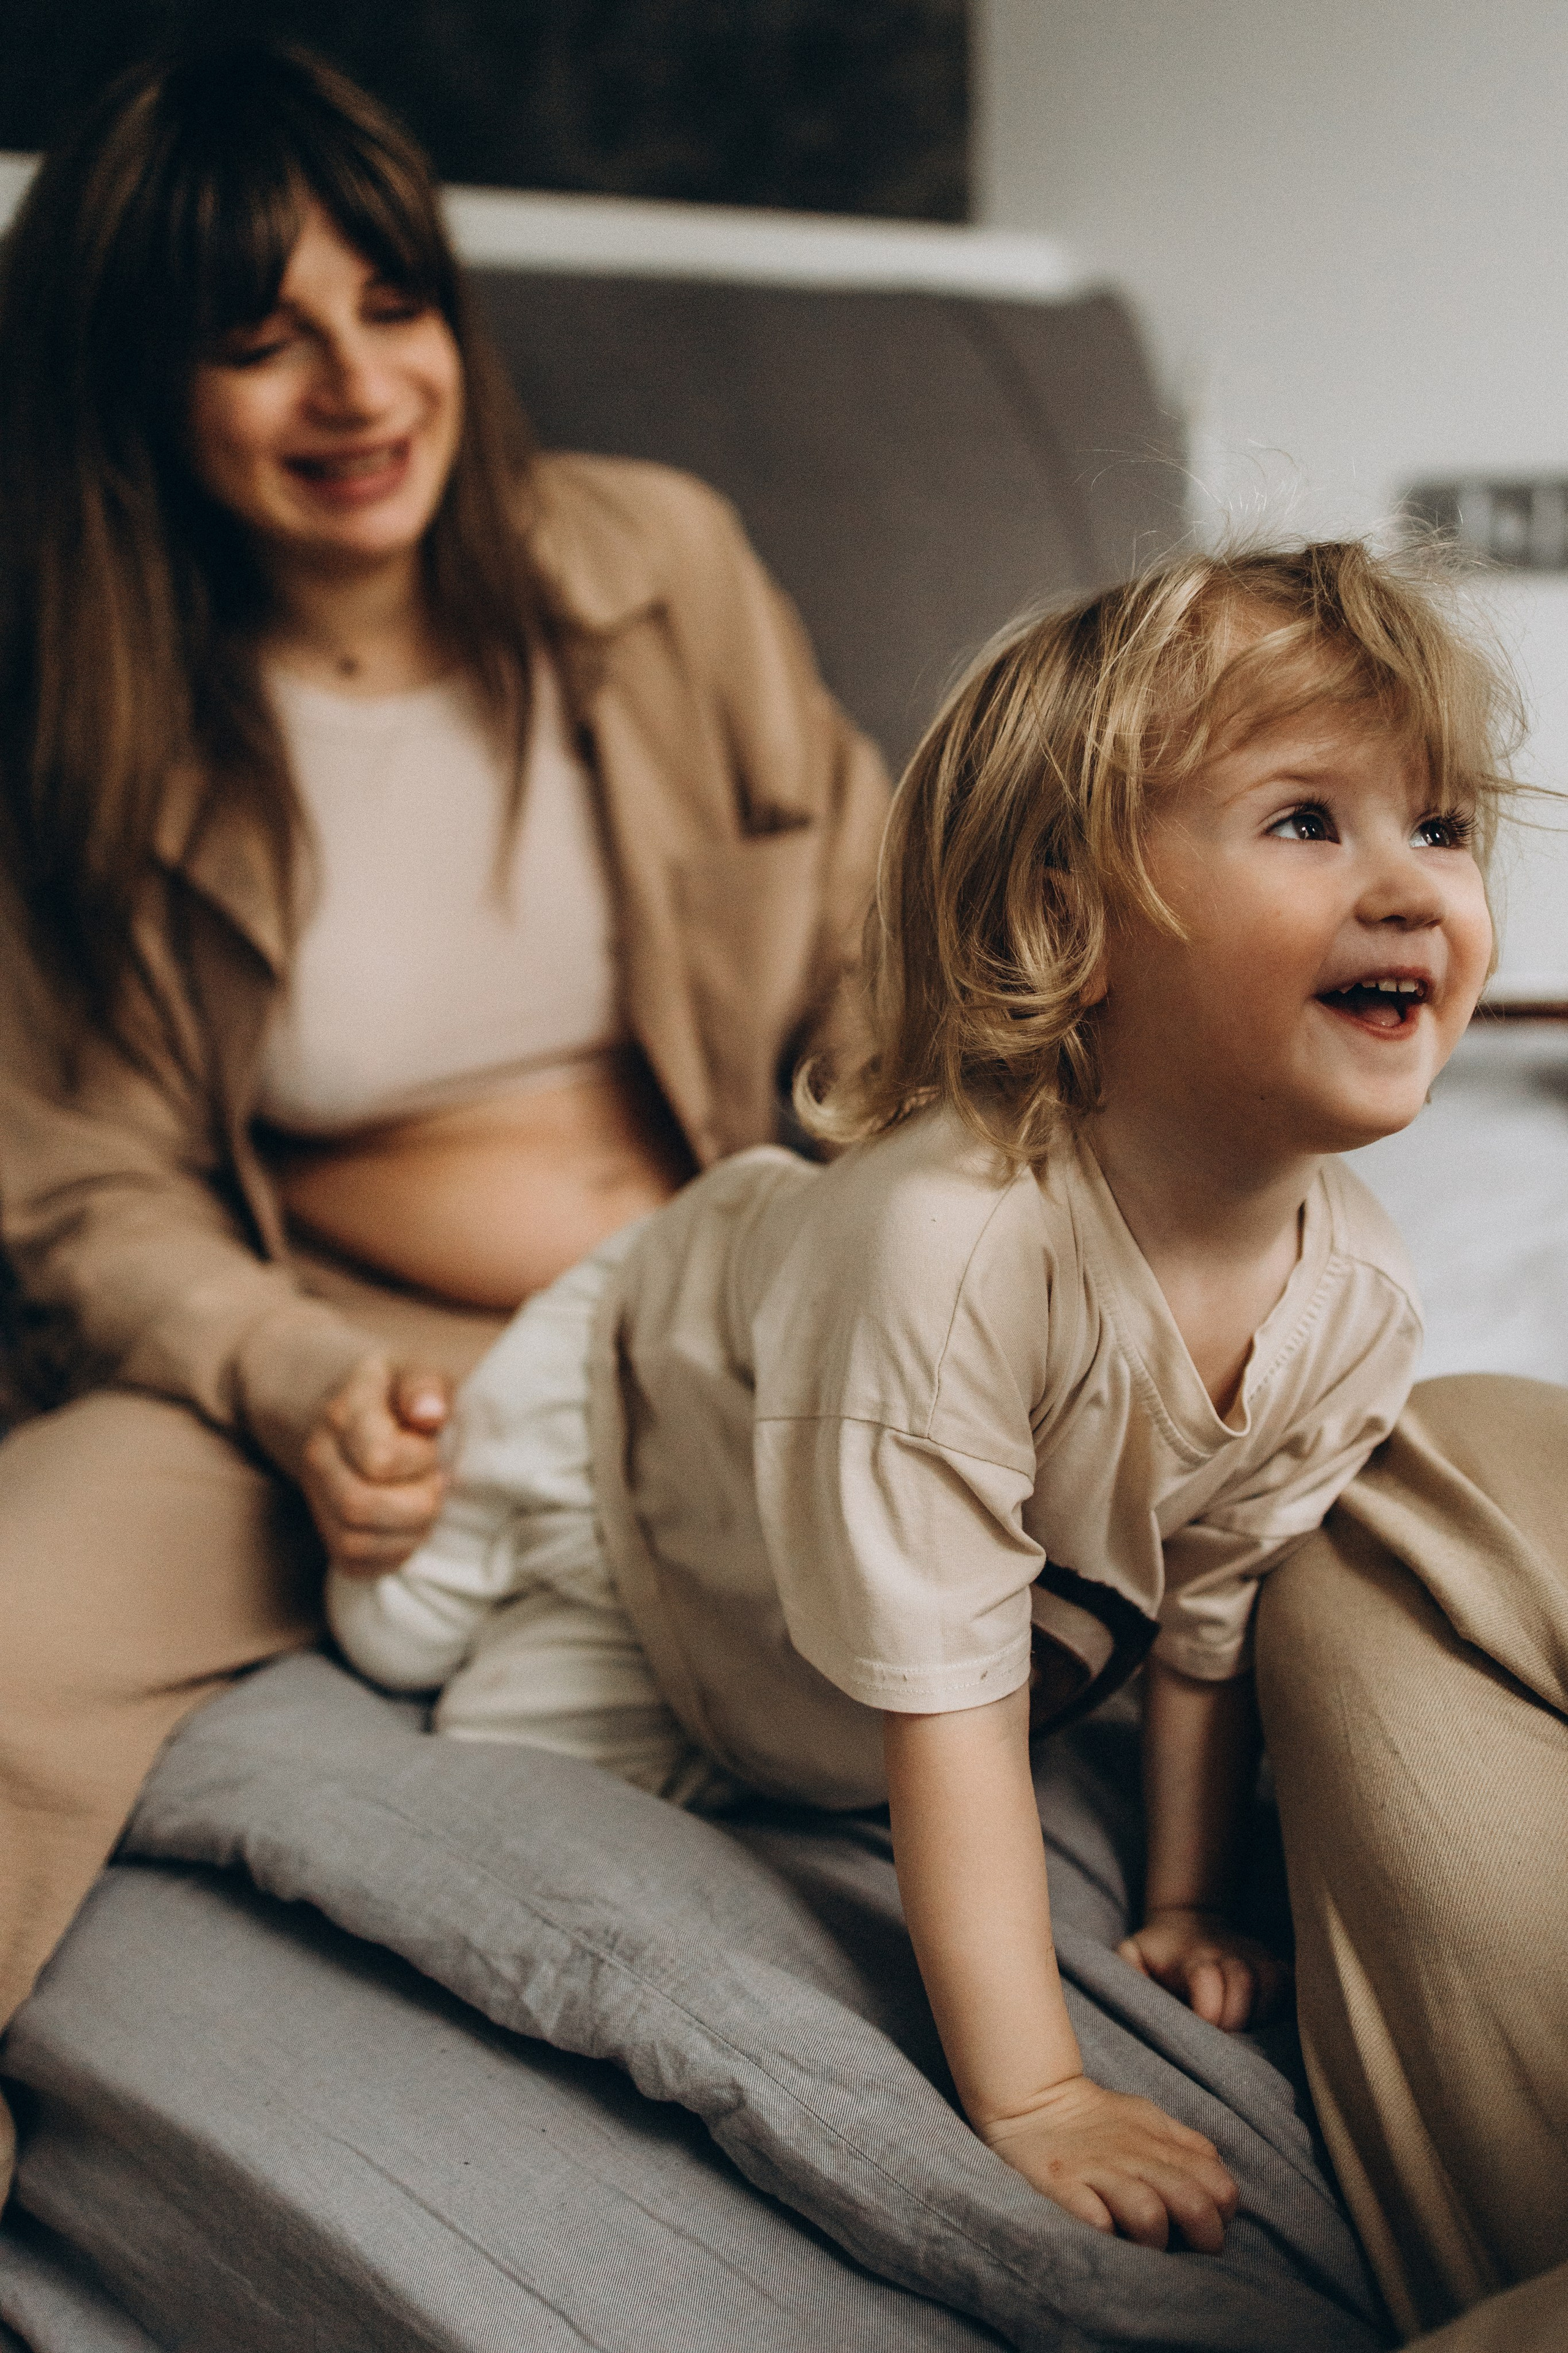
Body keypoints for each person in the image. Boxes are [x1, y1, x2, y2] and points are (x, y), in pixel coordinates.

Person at [331, 537, 1513, 2254]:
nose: (1412, 884)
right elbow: (952, 1710)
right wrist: (1036, 2092)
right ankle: (409, 1436)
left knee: (751, 1720)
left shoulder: (1359, 1294)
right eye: (1308, 821)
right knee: (414, 1650)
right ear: (1072, 915)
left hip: (820, 1529)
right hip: (636, 1442)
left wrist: (1176, 1897)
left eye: (1445, 823)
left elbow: (1215, 1613)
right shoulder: (946, 1250)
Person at [0, 41, 888, 2200]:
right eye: (257, 339)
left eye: (389, 306)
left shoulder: (661, 565)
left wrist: (880, 1244)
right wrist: (288, 1372)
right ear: (139, 385)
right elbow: (78, 1174)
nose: (357, 386)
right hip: (340, 1349)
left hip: (712, 1301)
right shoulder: (82, 719)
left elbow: (893, 946)